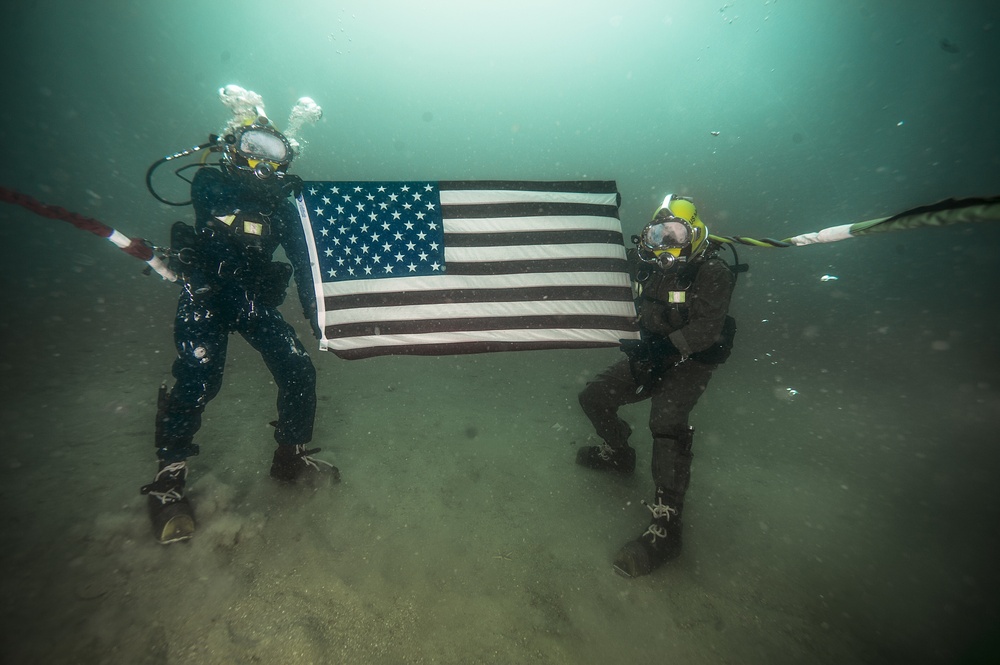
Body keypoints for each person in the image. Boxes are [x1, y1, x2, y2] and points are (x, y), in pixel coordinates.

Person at [140, 91, 336, 544]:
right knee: (200, 376)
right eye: (252, 150)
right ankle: (169, 479)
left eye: (274, 156)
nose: (261, 164)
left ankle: (290, 458)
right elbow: (225, 214)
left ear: (287, 161)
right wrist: (267, 199)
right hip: (205, 291)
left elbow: (307, 267)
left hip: (251, 301)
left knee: (297, 367)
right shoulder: (209, 182)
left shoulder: (285, 209)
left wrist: (320, 316)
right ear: (233, 147)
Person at [575, 194, 738, 577]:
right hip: (652, 354)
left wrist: (666, 349)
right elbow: (603, 264)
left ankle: (667, 527)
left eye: (676, 232)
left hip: (692, 360)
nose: (666, 242)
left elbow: (706, 329)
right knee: (594, 396)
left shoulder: (712, 272)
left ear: (694, 233)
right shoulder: (644, 265)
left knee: (666, 422)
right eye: (658, 232)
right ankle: (619, 453)